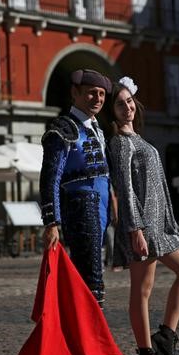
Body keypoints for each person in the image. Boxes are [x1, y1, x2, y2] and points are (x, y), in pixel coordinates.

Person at [101, 76, 179, 355]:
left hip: (161, 227)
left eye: (129, 101)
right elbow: (125, 188)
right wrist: (135, 229)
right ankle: (146, 353)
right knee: (141, 290)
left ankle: (165, 337)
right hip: (142, 227)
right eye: (120, 104)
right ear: (112, 111)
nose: (127, 107)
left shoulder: (139, 140)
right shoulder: (119, 143)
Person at [39, 68, 112, 306]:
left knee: (94, 271)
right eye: (91, 93)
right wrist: (52, 222)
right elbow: (50, 176)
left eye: (101, 94)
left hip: (100, 207)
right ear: (75, 93)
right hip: (80, 207)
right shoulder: (63, 128)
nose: (98, 99)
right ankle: (90, 336)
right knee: (90, 276)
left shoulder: (96, 128)